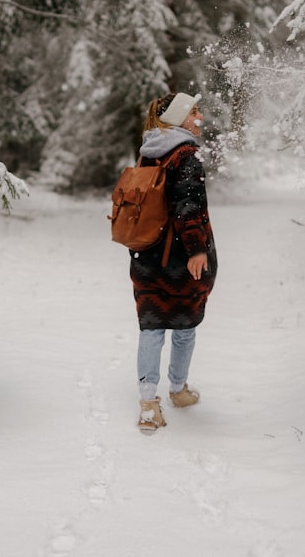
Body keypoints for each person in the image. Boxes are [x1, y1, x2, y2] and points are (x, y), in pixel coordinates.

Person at [130, 92, 217, 432]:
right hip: (180, 258)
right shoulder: (186, 155)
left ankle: (148, 404)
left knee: (151, 327)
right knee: (184, 327)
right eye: (194, 112)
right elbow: (187, 207)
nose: (200, 118)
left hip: (146, 254)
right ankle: (178, 390)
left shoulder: (148, 151)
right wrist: (197, 249)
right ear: (179, 118)